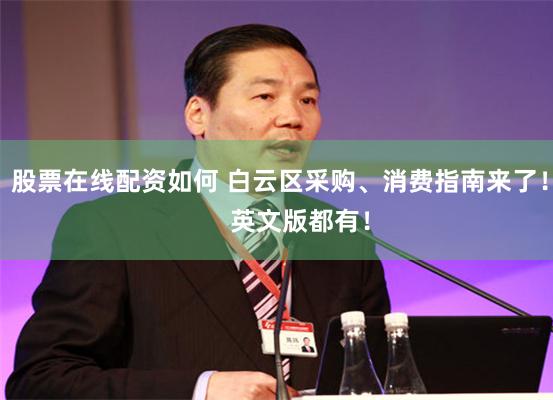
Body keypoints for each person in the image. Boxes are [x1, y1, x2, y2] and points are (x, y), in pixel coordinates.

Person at [6, 24, 390, 399]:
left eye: (308, 100)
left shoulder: (343, 237)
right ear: (198, 115)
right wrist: (200, 389)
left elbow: (385, 376)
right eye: (265, 96)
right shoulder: (113, 227)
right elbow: (42, 381)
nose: (292, 117)